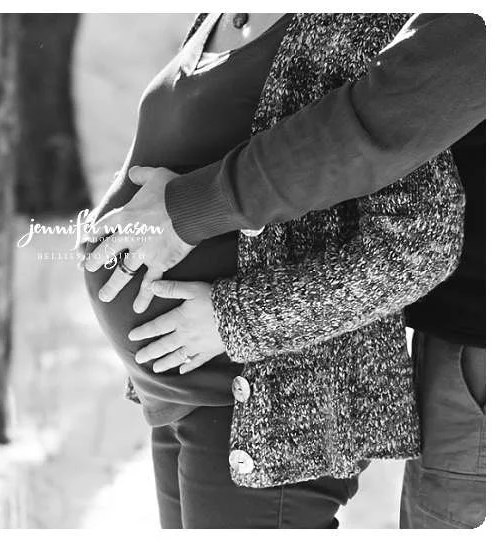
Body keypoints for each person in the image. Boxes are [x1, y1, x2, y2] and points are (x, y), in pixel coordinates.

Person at [85, 13, 485, 528]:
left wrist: (237, 318)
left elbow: (419, 244)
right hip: (179, 395)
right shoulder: (216, 15)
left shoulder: (366, 21)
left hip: (269, 408)